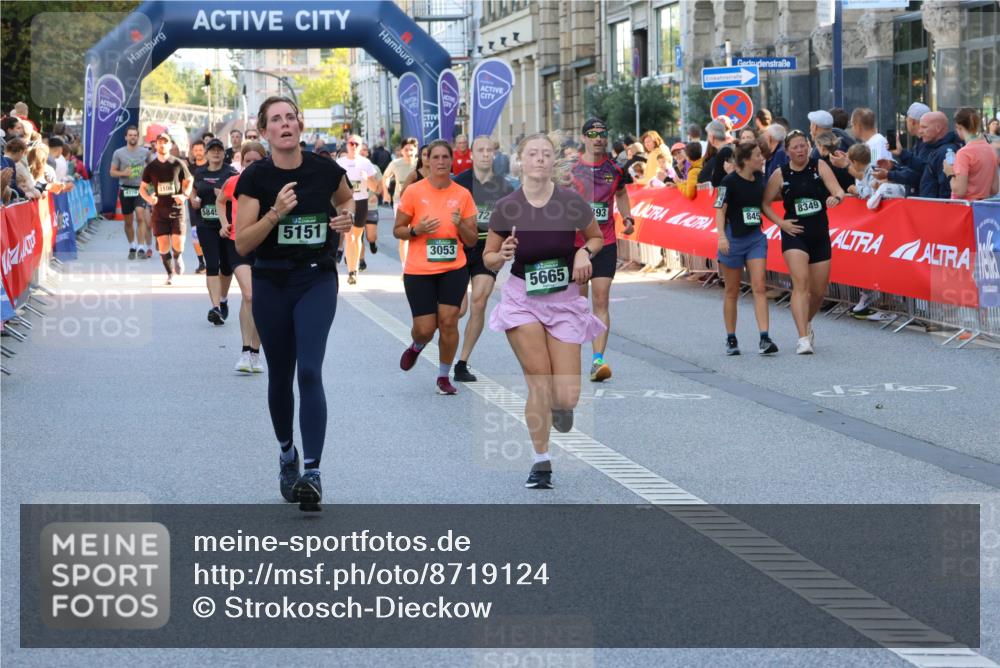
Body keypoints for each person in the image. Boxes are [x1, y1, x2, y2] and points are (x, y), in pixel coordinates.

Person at [234, 96, 355, 512]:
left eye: (290, 117)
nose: (285, 125)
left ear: (299, 126)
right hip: (270, 281)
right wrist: (274, 215)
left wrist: (345, 219)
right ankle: (287, 451)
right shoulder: (256, 177)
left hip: (316, 278)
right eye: (276, 120)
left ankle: (313, 472)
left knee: (309, 369)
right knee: (280, 373)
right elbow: (242, 241)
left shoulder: (324, 169)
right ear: (265, 131)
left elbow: (347, 201)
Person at [484, 133, 605, 489]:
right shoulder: (508, 206)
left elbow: (596, 237)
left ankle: (559, 406)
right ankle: (541, 462)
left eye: (546, 154)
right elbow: (488, 259)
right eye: (532, 154)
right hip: (523, 301)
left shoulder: (571, 202)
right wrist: (501, 253)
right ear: (521, 161)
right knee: (539, 382)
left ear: (554, 162)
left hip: (564, 300)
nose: (539, 159)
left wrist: (584, 253)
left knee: (566, 395)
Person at [393, 140, 478, 395]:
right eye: (435, 157)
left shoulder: (462, 195)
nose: (440, 162)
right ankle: (417, 346)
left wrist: (460, 224)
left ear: (451, 161)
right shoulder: (414, 192)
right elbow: (398, 230)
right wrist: (417, 230)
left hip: (454, 268)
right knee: (426, 329)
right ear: (427, 160)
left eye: (445, 157)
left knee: (449, 321)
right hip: (419, 270)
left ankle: (443, 376)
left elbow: (472, 239)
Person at [762, 129, 847, 354]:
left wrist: (836, 198)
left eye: (803, 145)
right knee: (801, 283)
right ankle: (802, 339)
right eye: (795, 147)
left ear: (808, 147)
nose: (800, 150)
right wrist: (782, 224)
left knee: (818, 291)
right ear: (787, 151)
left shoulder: (819, 166)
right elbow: (765, 203)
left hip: (819, 233)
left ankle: (806, 323)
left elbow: (838, 189)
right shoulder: (780, 173)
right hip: (794, 234)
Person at [570, 118, 635, 382]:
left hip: (605, 241)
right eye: (593, 134)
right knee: (576, 304)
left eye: (602, 134)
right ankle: (570, 355)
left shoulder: (615, 169)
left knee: (601, 299)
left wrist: (628, 218)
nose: (598, 138)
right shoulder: (571, 169)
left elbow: (620, 193)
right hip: (575, 246)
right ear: (584, 137)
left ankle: (598, 360)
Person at [452, 135, 515, 383]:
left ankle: (462, 362)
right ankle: (438, 334)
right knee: (458, 309)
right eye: (481, 150)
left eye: (490, 150)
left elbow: (514, 218)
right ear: (472, 154)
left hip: (488, 250)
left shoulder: (505, 186)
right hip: (460, 248)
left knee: (479, 301)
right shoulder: (459, 183)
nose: (486, 154)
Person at [713, 141, 777, 356]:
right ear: (746, 160)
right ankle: (731, 338)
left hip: (755, 238)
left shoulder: (760, 178)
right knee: (732, 291)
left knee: (759, 287)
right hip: (733, 239)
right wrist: (721, 236)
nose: (762, 158)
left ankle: (765, 338)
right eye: (758, 155)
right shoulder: (728, 181)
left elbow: (766, 203)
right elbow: (720, 210)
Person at [217, 141, 267, 373]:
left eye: (257, 161)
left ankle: (255, 354)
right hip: (238, 244)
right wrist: (225, 223)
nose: (252, 166)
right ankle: (246, 351)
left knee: (257, 299)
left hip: (265, 245)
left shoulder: (272, 183)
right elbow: (220, 201)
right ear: (241, 162)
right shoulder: (234, 181)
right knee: (249, 293)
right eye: (248, 161)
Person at [191, 138, 239, 324]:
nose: (216, 153)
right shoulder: (200, 172)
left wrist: (225, 196)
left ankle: (223, 298)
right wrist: (193, 199)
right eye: (212, 150)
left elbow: (239, 195)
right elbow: (194, 190)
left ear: (223, 153)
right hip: (206, 225)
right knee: (212, 265)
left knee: (226, 266)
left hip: (226, 225)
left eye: (219, 150)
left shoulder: (230, 172)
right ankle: (216, 307)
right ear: (206, 153)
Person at [139, 133, 192, 285]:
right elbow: (142, 188)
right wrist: (149, 199)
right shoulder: (151, 167)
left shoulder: (177, 163)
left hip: (177, 209)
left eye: (165, 142)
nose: (162, 145)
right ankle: (170, 274)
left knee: (178, 243)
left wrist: (185, 195)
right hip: (159, 211)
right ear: (155, 145)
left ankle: (177, 256)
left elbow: (189, 180)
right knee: (163, 244)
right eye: (159, 142)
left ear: (170, 145)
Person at [336, 134, 380, 285]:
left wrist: (366, 179)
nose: (353, 146)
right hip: (347, 202)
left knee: (357, 236)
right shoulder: (340, 162)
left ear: (361, 147)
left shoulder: (366, 163)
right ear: (347, 145)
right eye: (351, 143)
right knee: (349, 237)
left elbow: (375, 188)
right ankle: (352, 271)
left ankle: (355, 266)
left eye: (357, 144)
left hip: (361, 201)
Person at [109, 126, 151, 260]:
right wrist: (123, 173)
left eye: (135, 135)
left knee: (140, 215)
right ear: (126, 137)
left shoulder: (145, 153)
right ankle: (132, 246)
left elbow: (152, 169)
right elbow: (112, 172)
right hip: (125, 189)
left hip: (140, 189)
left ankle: (141, 247)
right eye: (130, 135)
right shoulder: (118, 153)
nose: (133, 137)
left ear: (138, 137)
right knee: (128, 221)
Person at [944, 107, 999, 201]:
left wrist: (950, 173)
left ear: (959, 127)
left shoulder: (964, 153)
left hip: (964, 210)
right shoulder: (991, 150)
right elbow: (994, 189)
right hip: (982, 209)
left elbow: (960, 191)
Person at [879, 102, 931, 195]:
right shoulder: (920, 142)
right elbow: (913, 169)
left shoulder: (928, 144)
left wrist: (889, 174)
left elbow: (916, 174)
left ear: (913, 122)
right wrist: (892, 167)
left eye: (907, 119)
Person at [383, 138, 419, 267]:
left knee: (418, 233)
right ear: (401, 151)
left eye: (411, 149)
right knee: (404, 234)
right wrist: (386, 192)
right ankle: (405, 267)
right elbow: (386, 176)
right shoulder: (395, 163)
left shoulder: (420, 164)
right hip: (400, 201)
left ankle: (417, 263)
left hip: (419, 202)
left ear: (416, 150)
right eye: (406, 150)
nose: (409, 152)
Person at [916, 111, 962, 199]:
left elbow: (946, 189)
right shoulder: (932, 147)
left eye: (924, 127)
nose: (920, 131)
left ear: (938, 128)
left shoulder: (946, 152)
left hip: (937, 208)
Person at [186, 140, 209, 273]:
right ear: (192, 152)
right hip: (194, 205)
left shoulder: (211, 166)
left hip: (209, 204)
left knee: (210, 233)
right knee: (196, 233)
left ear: (205, 151)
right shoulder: (189, 169)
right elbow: (185, 186)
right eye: (196, 150)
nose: (198, 152)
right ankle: (201, 263)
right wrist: (191, 198)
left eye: (201, 150)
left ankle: (212, 260)